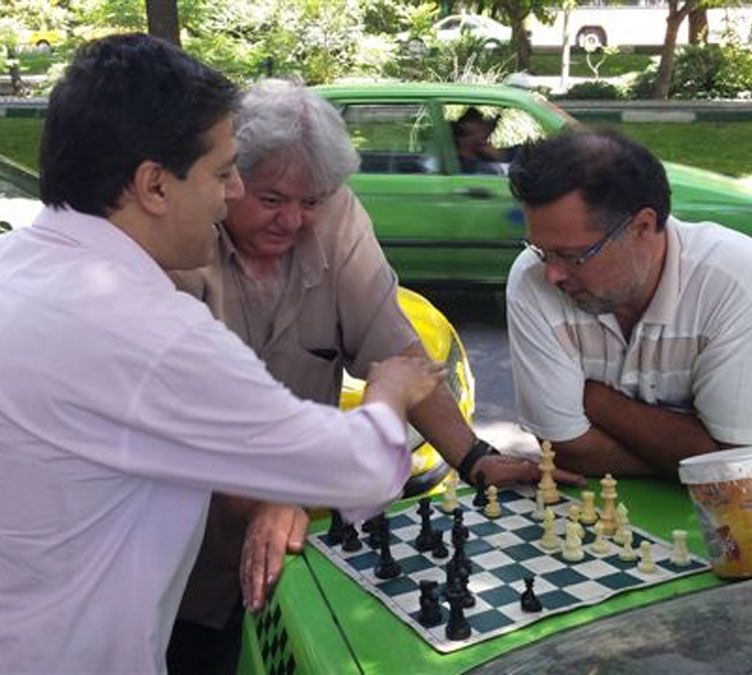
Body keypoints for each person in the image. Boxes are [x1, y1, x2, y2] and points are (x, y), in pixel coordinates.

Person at [0, 34, 444, 674]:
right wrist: (390, 390)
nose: (232, 196)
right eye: (223, 173)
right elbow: (355, 469)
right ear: (153, 185)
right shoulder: (146, 331)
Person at [167, 80, 580, 673]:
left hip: (292, 538)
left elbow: (399, 356)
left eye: (311, 201)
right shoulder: (182, 242)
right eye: (273, 199)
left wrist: (473, 458)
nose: (294, 220)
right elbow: (188, 424)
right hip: (181, 548)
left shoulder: (334, 216)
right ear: (229, 179)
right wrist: (263, 497)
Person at [505, 129, 752, 477]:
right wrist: (705, 455)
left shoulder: (741, 280)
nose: (552, 274)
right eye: (542, 251)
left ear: (642, 226)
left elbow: (741, 469)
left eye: (571, 255)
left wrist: (596, 401)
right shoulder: (531, 277)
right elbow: (567, 449)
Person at [452, 107, 504, 174]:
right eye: (481, 132)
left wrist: (496, 157)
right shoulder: (459, 164)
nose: (483, 138)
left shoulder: (483, 155)